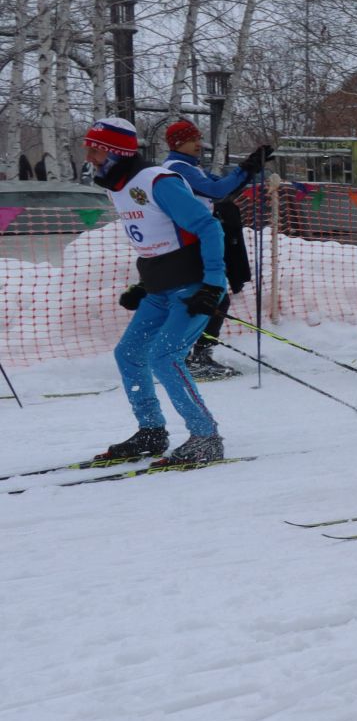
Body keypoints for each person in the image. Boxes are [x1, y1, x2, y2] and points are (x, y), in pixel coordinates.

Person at [84, 117, 230, 465]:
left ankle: (206, 436)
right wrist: (143, 283)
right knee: (129, 354)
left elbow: (209, 227)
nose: (89, 156)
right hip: (161, 288)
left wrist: (213, 284)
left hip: (193, 286)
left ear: (115, 152)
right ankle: (151, 430)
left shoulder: (156, 181)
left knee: (165, 358)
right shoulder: (116, 185)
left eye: (95, 149)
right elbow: (155, 238)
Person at [162, 118, 270, 382]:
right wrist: (246, 168)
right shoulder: (177, 169)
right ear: (179, 143)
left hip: (196, 239)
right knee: (213, 297)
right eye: (193, 140)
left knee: (214, 297)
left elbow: (223, 191)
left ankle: (194, 354)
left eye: (198, 138)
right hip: (188, 242)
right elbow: (217, 189)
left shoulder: (190, 167)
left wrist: (250, 168)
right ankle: (194, 356)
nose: (199, 144)